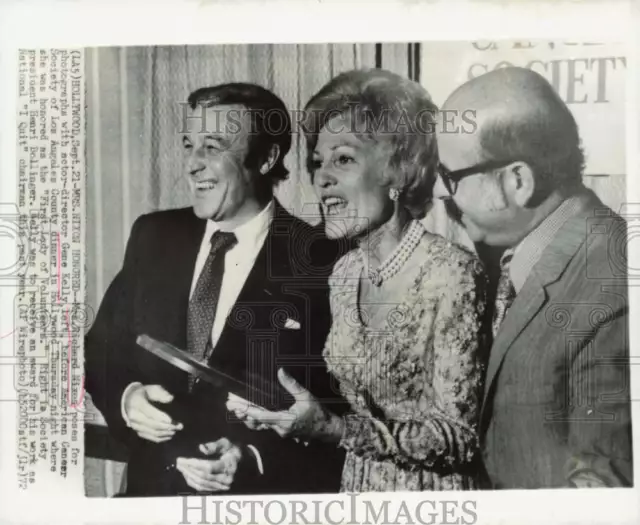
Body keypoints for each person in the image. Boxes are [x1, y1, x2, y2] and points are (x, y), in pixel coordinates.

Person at [231, 68, 490, 492]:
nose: (321, 177)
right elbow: (345, 408)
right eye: (318, 163)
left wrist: (335, 430)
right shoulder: (344, 273)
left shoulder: (452, 274)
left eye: (344, 159)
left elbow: (460, 439)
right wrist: (281, 412)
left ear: (400, 172)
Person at [85, 82, 348, 496]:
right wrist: (127, 397)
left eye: (213, 146)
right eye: (189, 145)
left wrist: (252, 456)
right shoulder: (154, 235)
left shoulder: (324, 260)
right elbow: (100, 347)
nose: (192, 163)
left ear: (267, 157)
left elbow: (338, 412)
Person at [433, 66, 633, 488]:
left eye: (450, 177)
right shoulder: (524, 256)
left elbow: (600, 493)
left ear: (519, 180)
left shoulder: (614, 284)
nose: (443, 195)